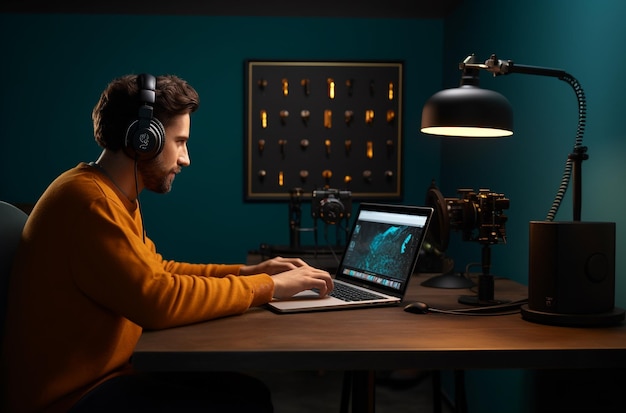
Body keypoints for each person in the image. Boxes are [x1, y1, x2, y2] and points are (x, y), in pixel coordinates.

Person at [1, 73, 334, 412]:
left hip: (106, 376)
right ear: (144, 140)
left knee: (250, 393)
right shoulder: (90, 202)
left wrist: (249, 270)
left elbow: (157, 271)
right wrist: (269, 286)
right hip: (70, 399)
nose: (185, 159)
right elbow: (157, 300)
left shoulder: (106, 194)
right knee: (246, 403)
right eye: (180, 142)